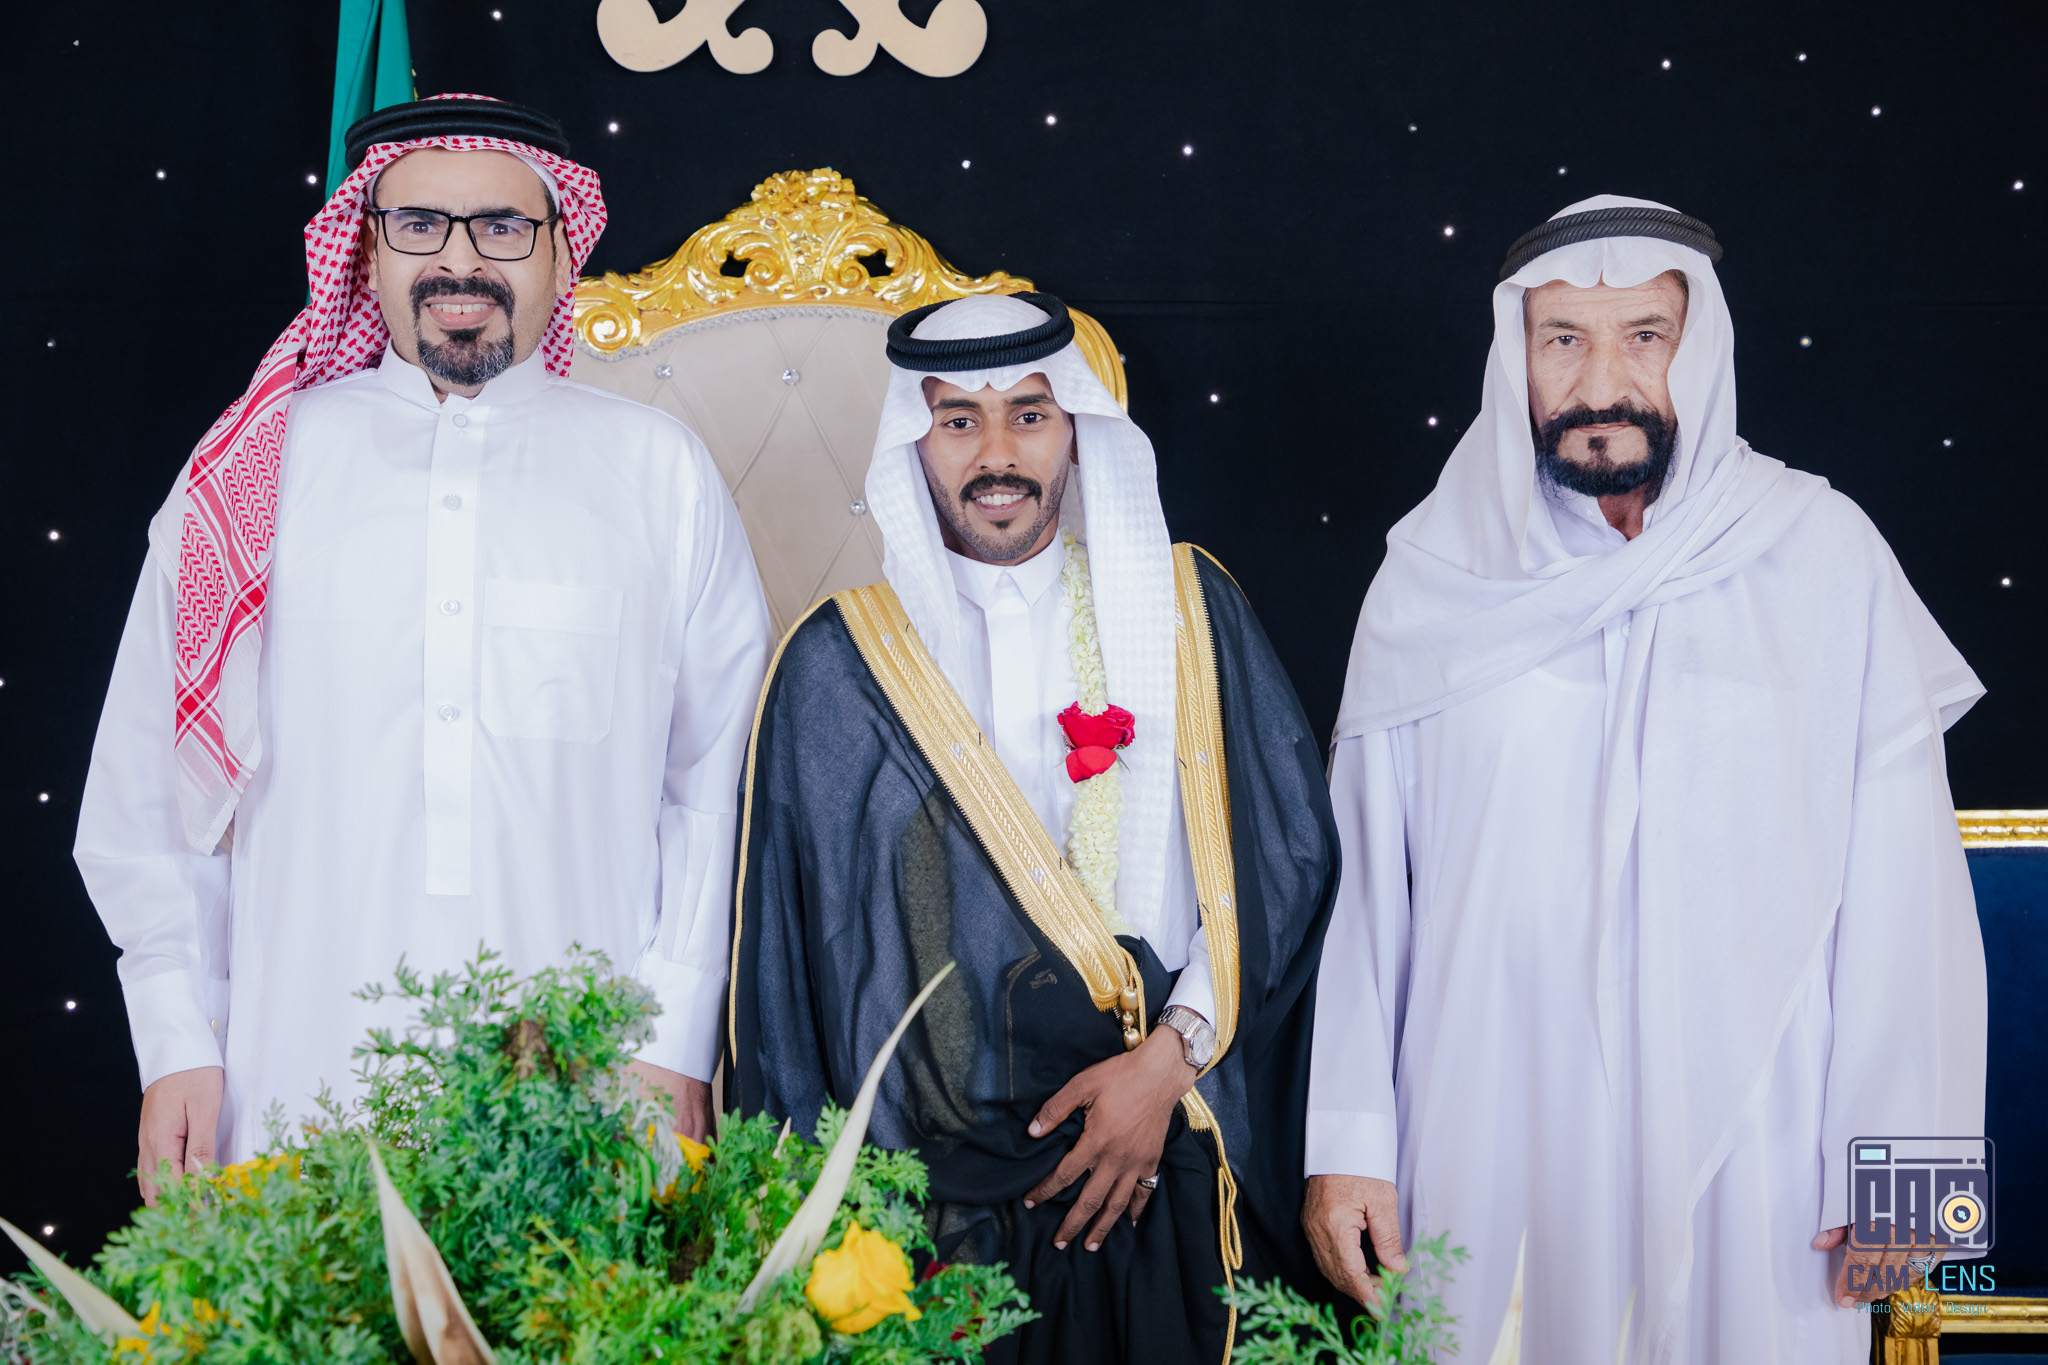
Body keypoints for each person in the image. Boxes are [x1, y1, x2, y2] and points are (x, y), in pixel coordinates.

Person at [1300, 195, 1987, 1362]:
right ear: (1515, 357)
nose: (1599, 382)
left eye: (1642, 338)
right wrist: (1345, 1144)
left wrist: (1908, 1181)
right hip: (1485, 1118)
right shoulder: (1427, 581)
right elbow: (1366, 896)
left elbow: (1904, 892)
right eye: (1562, 339)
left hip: (1762, 1147)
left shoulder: (1819, 554)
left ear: (1696, 349)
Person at [75, 95, 771, 1200]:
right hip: (292, 1066)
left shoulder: (659, 474)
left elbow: (713, 789)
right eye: (418, 225)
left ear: (560, 252)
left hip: (587, 1075)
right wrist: (176, 1036)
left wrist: (675, 1039)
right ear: (366, 246)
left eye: (502, 226)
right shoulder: (248, 475)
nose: (460, 260)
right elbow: (153, 789)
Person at [726, 293, 1338, 1363]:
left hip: (1167, 1132)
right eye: (958, 420)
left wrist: (1166, 1063)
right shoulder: (837, 665)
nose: (996, 453)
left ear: (1077, 432)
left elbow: (1284, 866)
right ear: (914, 443)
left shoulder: (1187, 613)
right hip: (938, 1194)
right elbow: (792, 967)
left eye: (1029, 415)